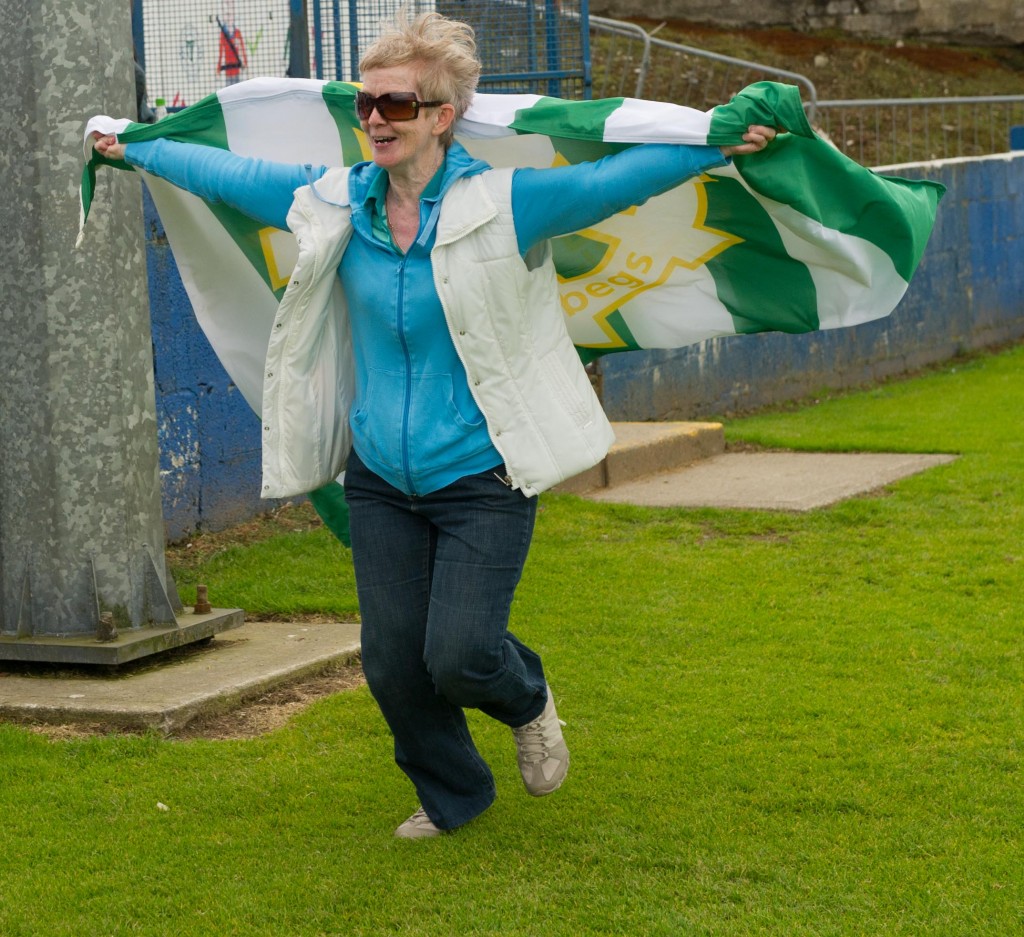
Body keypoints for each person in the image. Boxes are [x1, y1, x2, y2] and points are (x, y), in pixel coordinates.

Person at [94, 10, 777, 840]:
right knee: (390, 659)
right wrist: (136, 146)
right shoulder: (335, 203)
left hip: (481, 476)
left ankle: (526, 697)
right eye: (365, 104)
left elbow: (614, 183)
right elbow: (226, 174)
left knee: (457, 654)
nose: (375, 119)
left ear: (442, 118)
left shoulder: (506, 206)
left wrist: (716, 144)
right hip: (381, 476)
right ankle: (454, 792)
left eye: (397, 105)